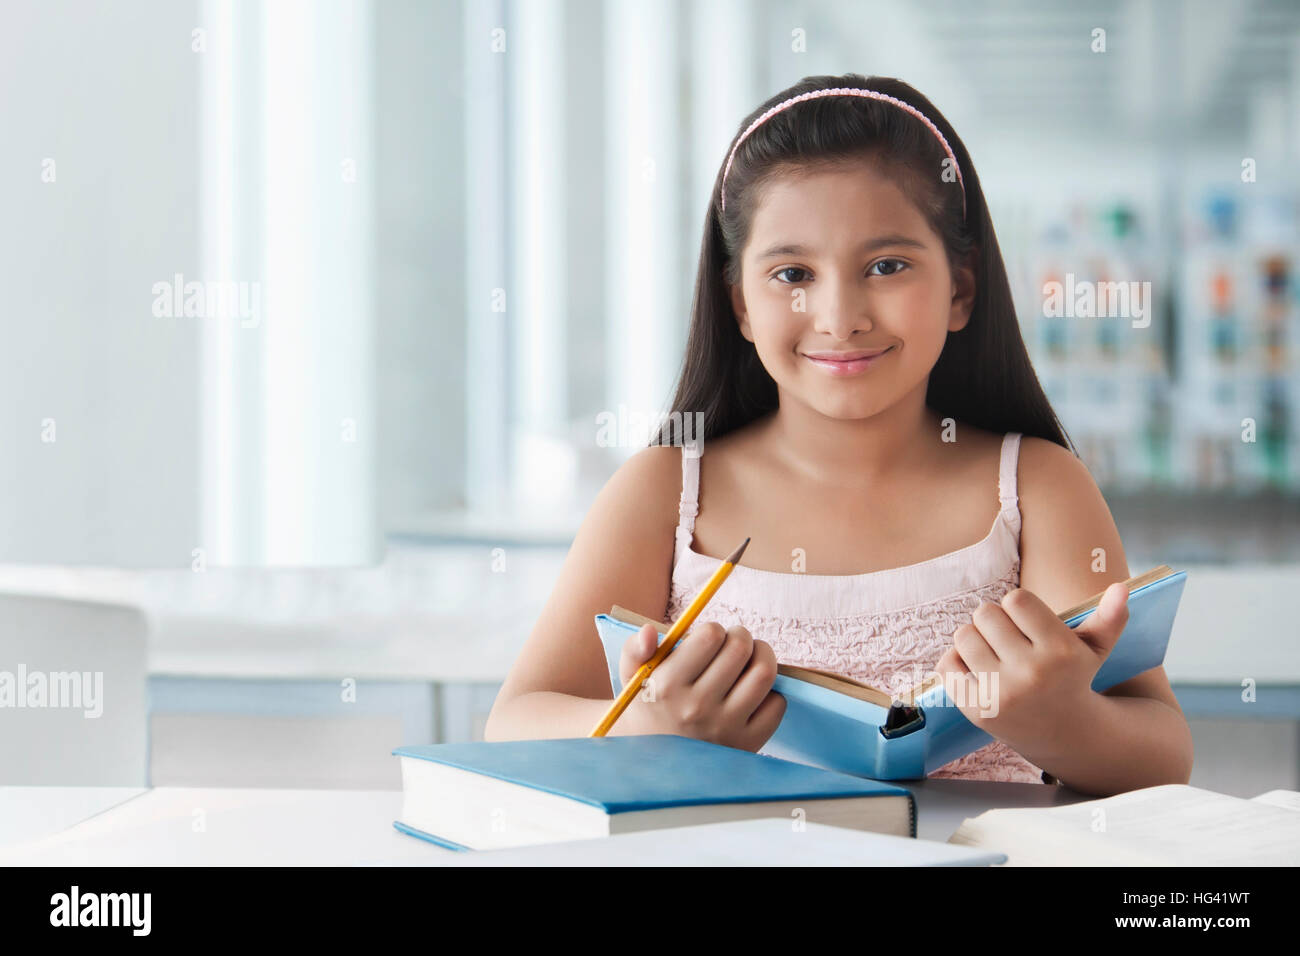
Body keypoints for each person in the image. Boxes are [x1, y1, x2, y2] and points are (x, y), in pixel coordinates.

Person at [485, 73, 1192, 797]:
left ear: (960, 289)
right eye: (793, 272)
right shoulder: (665, 490)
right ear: (741, 306)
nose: (839, 315)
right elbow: (514, 721)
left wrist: (1066, 723)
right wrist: (645, 728)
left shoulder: (1036, 485)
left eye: (887, 266)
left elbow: (1164, 752)